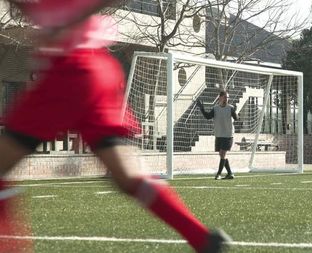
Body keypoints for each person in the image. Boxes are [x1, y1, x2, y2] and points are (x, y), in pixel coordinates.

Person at [0, 4, 230, 253]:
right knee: (127, 176)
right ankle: (201, 238)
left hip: (68, 74)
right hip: (99, 71)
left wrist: (70, 16)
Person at [197, 91, 238, 180]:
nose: (226, 99)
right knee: (222, 155)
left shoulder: (230, 108)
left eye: (227, 97)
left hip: (228, 135)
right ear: (220, 98)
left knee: (223, 154)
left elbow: (236, 118)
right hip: (219, 135)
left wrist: (235, 111)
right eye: (225, 97)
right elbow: (208, 117)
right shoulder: (215, 108)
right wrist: (202, 109)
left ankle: (218, 174)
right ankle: (230, 173)